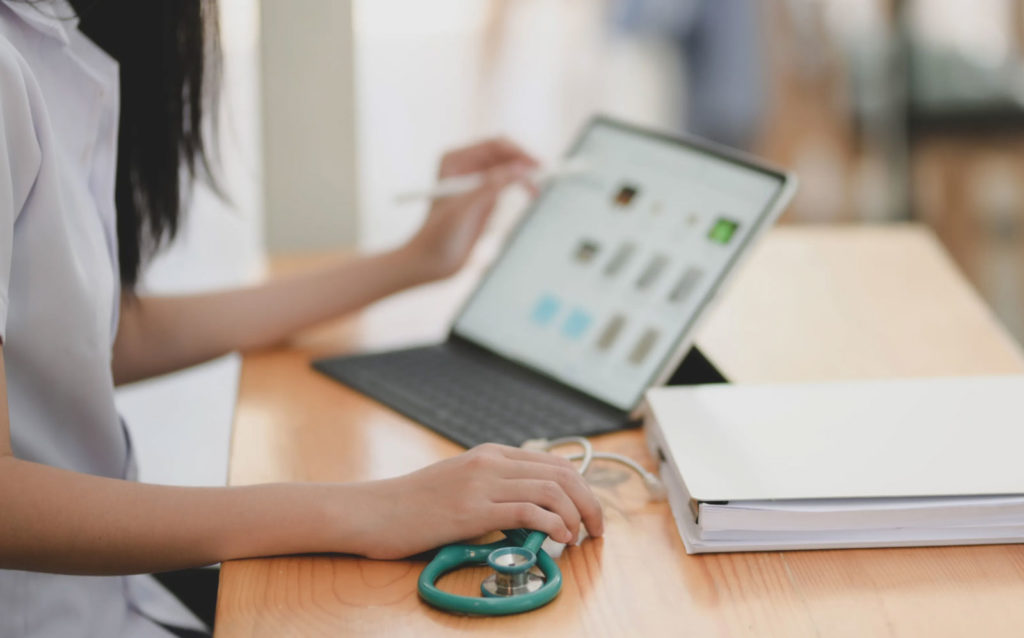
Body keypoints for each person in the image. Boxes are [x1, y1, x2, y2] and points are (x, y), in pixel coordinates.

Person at [0, 1, 604, 636]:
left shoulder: (49, 39)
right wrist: (372, 509)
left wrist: (415, 260)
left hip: (109, 601)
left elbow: (104, 338)